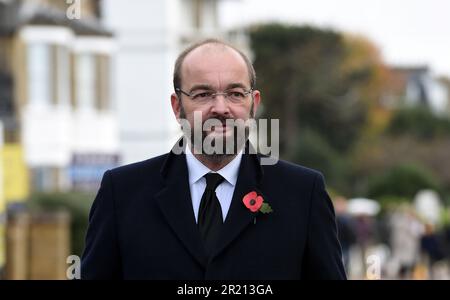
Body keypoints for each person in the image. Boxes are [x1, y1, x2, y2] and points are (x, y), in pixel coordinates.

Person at [81, 39, 346, 280]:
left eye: (235, 93)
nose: (220, 108)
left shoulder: (303, 193)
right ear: (177, 107)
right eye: (203, 94)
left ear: (253, 103)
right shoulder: (122, 192)